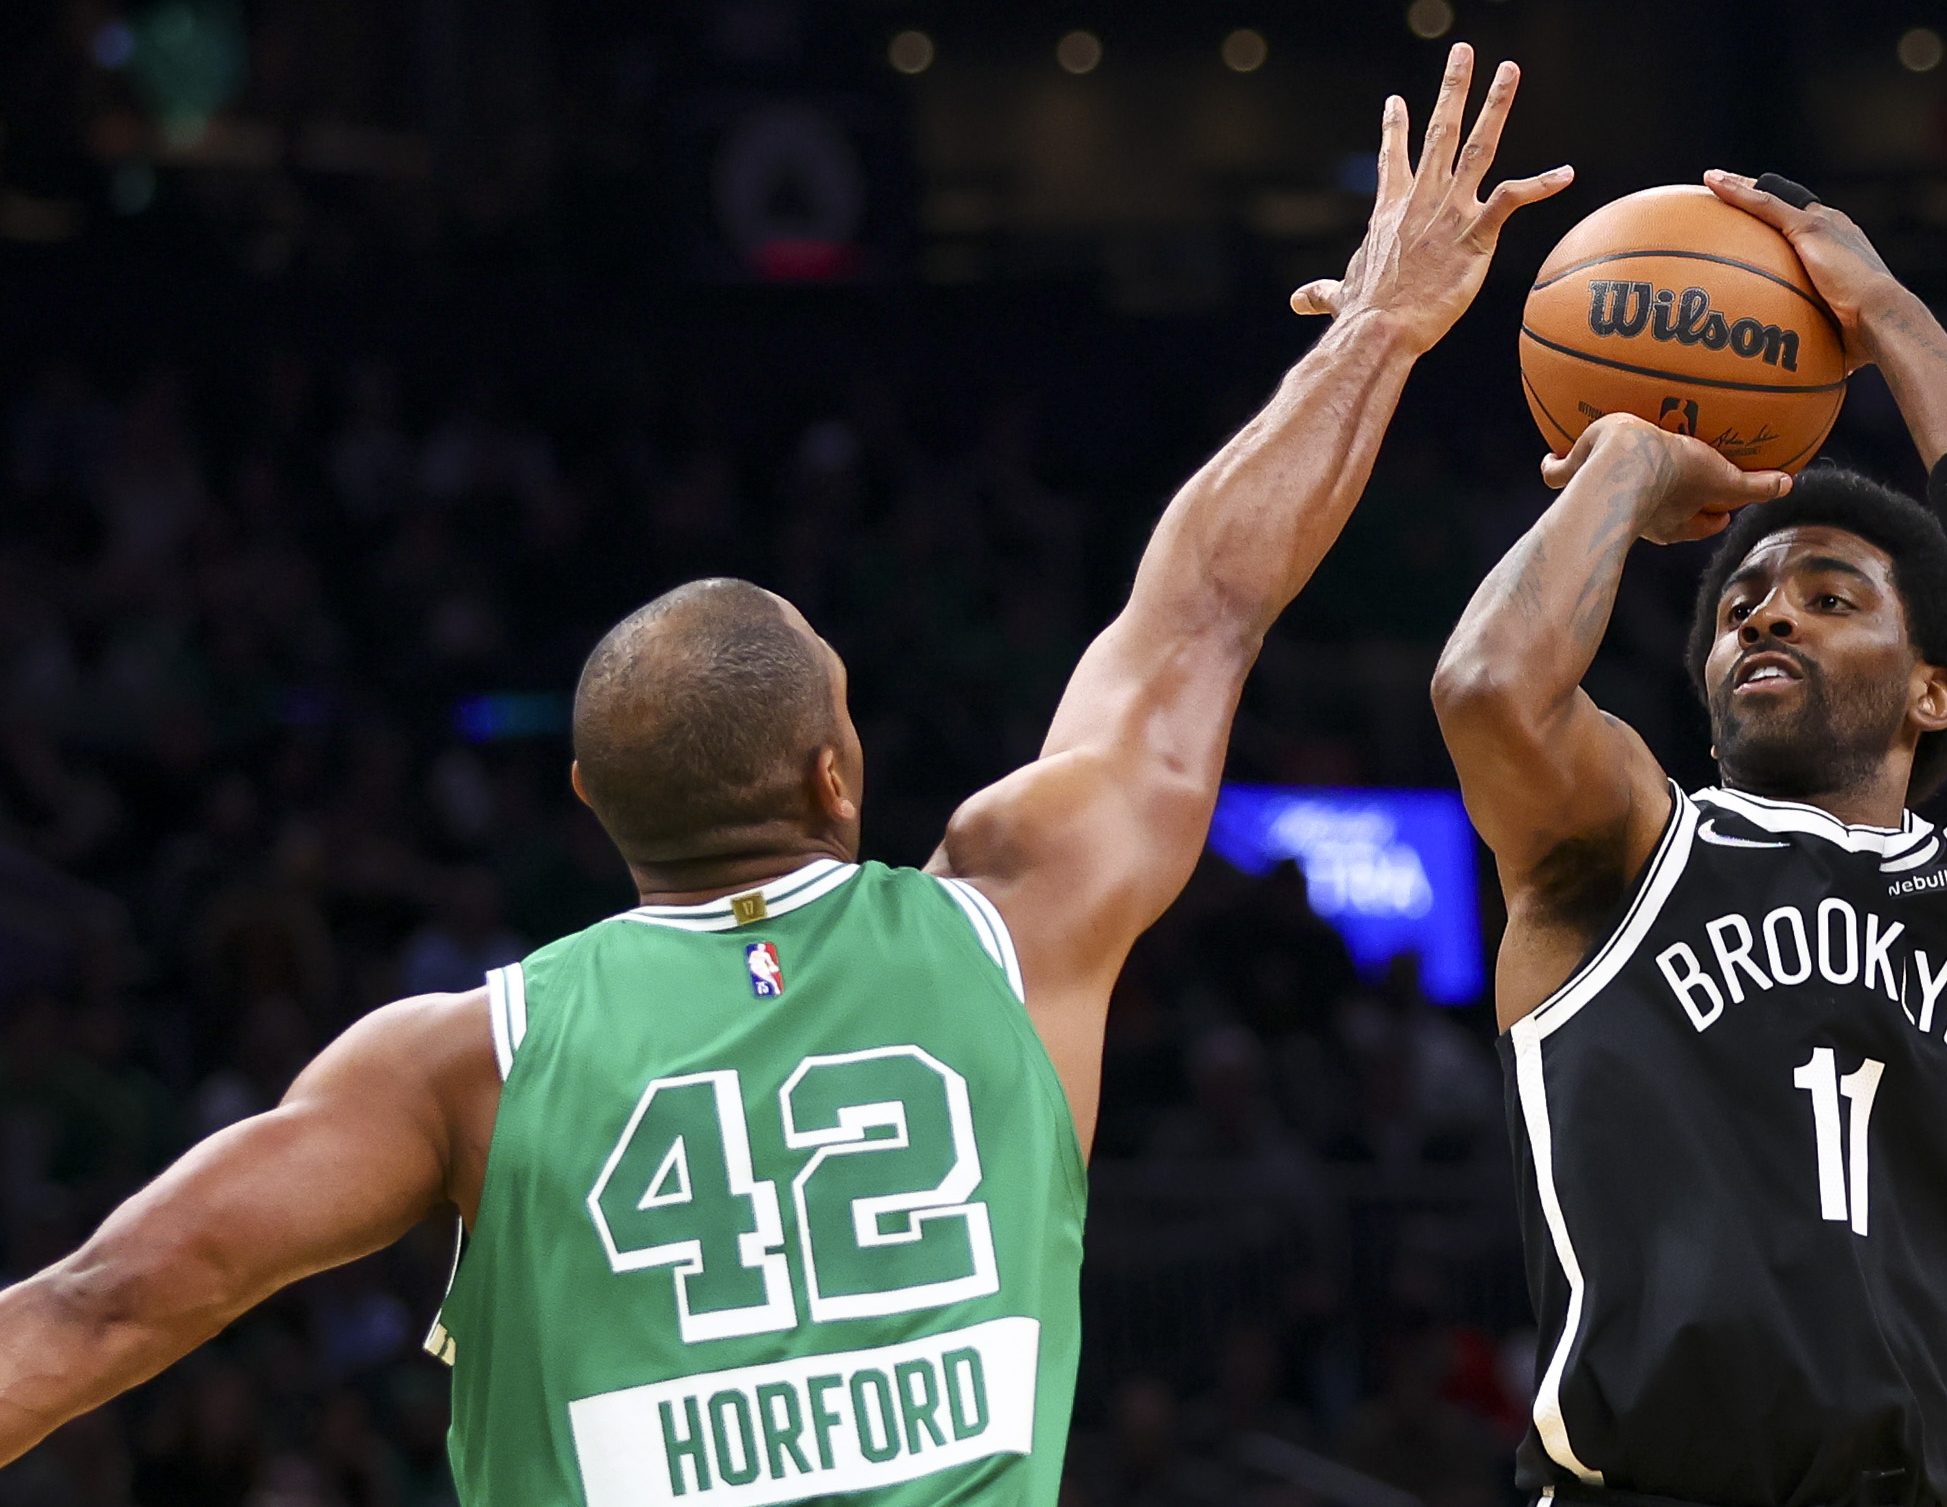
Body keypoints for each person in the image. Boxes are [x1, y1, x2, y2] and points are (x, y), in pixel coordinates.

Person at [0, 45, 1573, 1507]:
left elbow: (102, 1305)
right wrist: (1378, 329)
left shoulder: (464, 1061)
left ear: (591, 805)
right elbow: (1205, 607)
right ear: (835, 777)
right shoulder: (1015, 925)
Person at [1430, 170, 1947, 1507]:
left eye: (1830, 596)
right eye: (1740, 604)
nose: (1766, 615)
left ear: (1937, 693)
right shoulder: (1627, 856)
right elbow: (1485, 690)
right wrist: (1628, 459)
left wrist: (1886, 314)